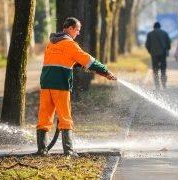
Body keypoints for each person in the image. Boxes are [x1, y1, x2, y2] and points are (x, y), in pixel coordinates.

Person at [36, 17, 117, 157]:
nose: (78, 33)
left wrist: (79, 64)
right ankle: (69, 150)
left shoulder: (51, 43)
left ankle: (42, 150)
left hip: (45, 84)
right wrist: (106, 71)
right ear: (70, 29)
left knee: (44, 117)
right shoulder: (69, 44)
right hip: (60, 85)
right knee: (65, 117)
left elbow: (62, 60)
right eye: (77, 30)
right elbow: (89, 60)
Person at [145, 22, 171, 89]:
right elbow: (168, 43)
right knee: (163, 69)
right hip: (163, 54)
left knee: (155, 70)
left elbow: (147, 45)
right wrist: (167, 49)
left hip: (154, 54)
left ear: (154, 27)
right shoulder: (164, 33)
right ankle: (164, 84)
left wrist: (150, 51)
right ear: (160, 27)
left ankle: (157, 85)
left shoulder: (150, 34)